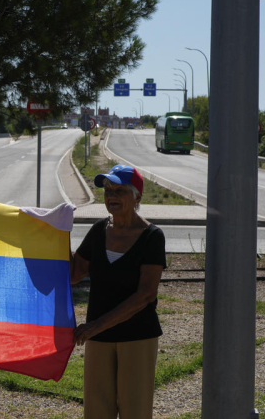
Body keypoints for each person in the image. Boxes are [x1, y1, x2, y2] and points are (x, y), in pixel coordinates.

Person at [70, 164, 166, 419]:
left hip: (136, 337)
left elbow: (145, 295)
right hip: (98, 337)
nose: (111, 196)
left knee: (135, 410)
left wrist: (95, 326)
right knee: (96, 410)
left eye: (120, 191)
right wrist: (53, 232)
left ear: (137, 197)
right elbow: (73, 274)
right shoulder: (99, 230)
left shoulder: (152, 237)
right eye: (108, 191)